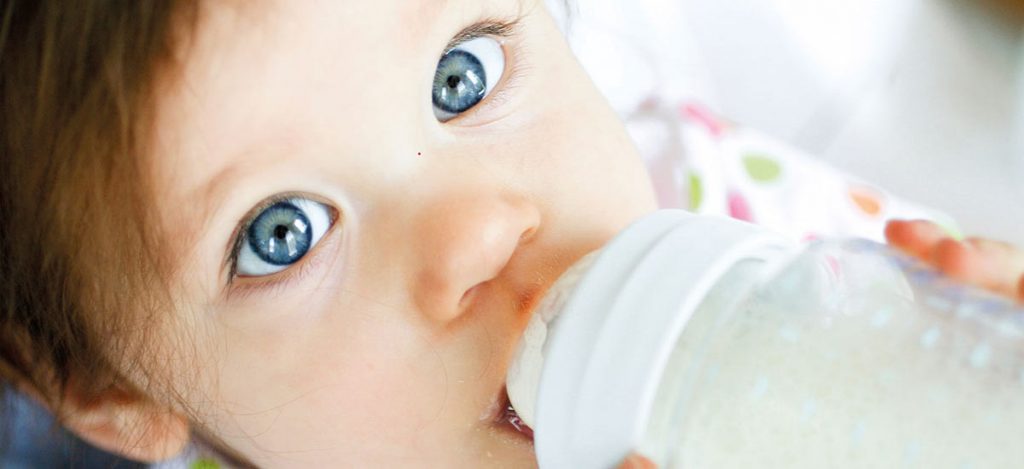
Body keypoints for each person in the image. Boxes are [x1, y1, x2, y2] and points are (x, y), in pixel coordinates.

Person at [0, 1, 1020, 467]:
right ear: (117, 391)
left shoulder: (747, 226)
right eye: (282, 233)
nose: (483, 229)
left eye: (463, 75)